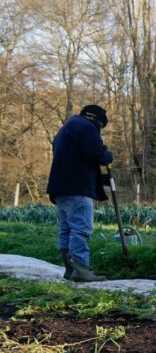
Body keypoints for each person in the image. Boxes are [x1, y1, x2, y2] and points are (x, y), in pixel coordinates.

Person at [47, 104, 114, 282]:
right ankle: (81, 269)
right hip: (77, 189)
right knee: (81, 228)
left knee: (66, 229)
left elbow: (75, 160)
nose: (98, 130)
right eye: (100, 126)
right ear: (95, 120)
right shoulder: (86, 126)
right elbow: (95, 153)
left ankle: (69, 269)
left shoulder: (65, 129)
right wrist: (107, 156)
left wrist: (100, 179)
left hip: (61, 188)